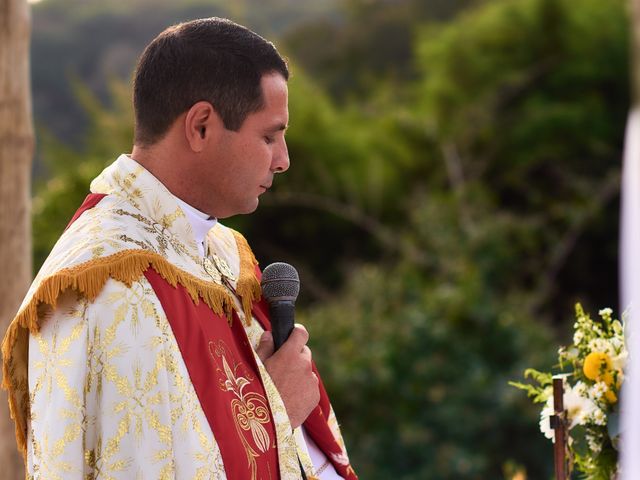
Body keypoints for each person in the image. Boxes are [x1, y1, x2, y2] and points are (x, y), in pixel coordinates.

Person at [2, 17, 357, 480]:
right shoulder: (109, 286)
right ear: (202, 127)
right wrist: (277, 412)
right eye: (268, 136)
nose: (283, 159)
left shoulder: (223, 250)